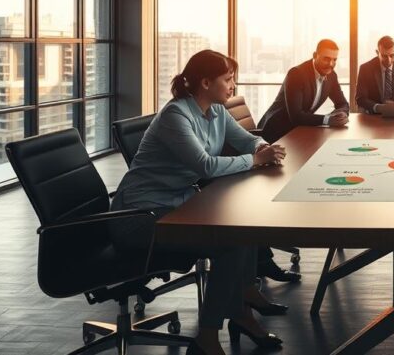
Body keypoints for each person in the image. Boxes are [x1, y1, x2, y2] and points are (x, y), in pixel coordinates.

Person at [110, 50, 287, 355]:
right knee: (229, 243)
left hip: (177, 207)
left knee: (242, 227)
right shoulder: (175, 116)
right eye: (228, 79)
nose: (233, 86)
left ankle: (242, 306)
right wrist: (255, 160)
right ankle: (209, 335)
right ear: (206, 82)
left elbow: (246, 139)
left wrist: (263, 147)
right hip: (139, 216)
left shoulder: (216, 111)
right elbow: (204, 166)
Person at [257, 39, 350, 143]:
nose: (331, 64)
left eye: (334, 60)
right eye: (326, 59)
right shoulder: (297, 74)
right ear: (315, 55)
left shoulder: (331, 76)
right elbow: (296, 116)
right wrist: (328, 120)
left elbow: (343, 103)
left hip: (299, 130)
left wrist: (341, 113)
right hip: (276, 131)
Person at [355, 35, 394, 113]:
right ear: (377, 52)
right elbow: (360, 98)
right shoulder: (365, 69)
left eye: (392, 55)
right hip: (373, 115)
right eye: (384, 56)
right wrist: (380, 108)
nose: (389, 60)